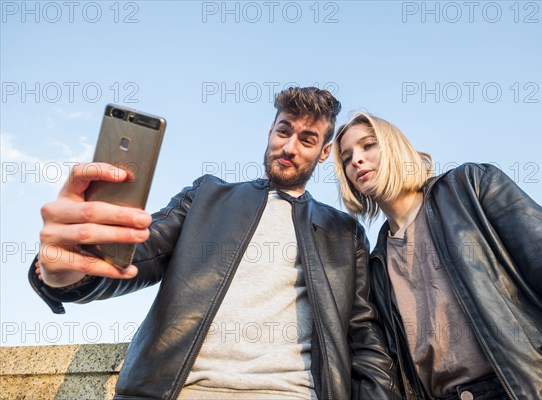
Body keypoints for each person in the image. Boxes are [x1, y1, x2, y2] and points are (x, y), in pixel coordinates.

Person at [29, 88, 401, 400]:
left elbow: (362, 334)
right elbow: (133, 254)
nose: (289, 147)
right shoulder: (205, 196)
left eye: (307, 139)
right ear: (269, 130)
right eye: (283, 131)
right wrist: (67, 268)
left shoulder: (343, 231)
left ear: (323, 152)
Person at [333, 111, 542, 400]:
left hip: (533, 386)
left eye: (368, 145)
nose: (356, 160)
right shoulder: (376, 267)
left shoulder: (470, 187)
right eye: (346, 158)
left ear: (395, 146)